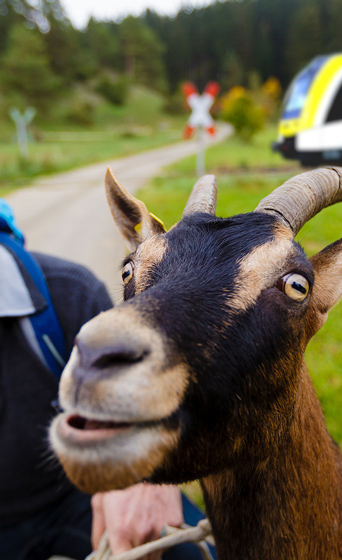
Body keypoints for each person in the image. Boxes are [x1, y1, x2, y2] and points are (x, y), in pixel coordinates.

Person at [0, 199, 210, 560]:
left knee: (187, 551)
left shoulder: (66, 292)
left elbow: (158, 388)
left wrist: (143, 476)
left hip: (75, 492)